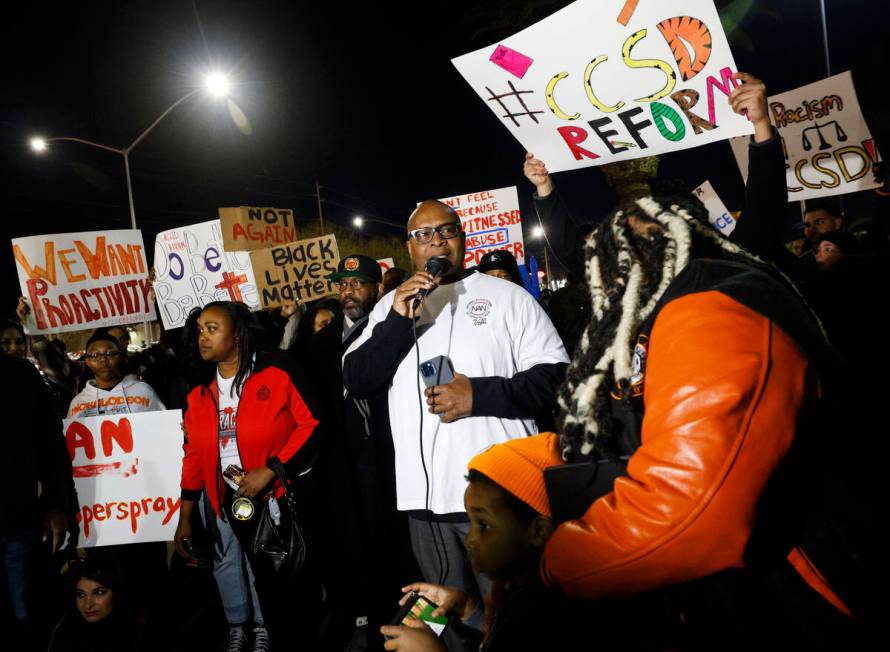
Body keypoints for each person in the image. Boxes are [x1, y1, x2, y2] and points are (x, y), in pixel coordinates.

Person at [540, 193, 869, 648]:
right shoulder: (690, 299)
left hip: (791, 593)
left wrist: (551, 563)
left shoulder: (709, 307)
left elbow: (691, 510)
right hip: (749, 587)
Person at [343, 200, 569, 643]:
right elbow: (359, 379)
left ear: (462, 238)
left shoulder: (507, 296)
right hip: (425, 506)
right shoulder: (392, 305)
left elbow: (557, 379)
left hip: (501, 499)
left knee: (513, 623)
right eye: (424, 235)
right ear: (410, 246)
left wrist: (479, 395)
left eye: (446, 231)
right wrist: (394, 322)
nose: (436, 242)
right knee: (447, 626)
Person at [174, 301, 320, 650]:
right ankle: (259, 631)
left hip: (277, 501)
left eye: (212, 329)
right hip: (227, 503)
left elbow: (311, 424)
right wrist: (186, 517)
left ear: (237, 334)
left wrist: (271, 470)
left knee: (288, 588)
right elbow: (193, 454)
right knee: (256, 581)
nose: (202, 337)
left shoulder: (277, 371)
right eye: (199, 331)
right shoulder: (198, 391)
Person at [380, 433, 585, 652]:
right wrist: (468, 610)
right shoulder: (514, 595)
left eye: (484, 525)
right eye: (472, 522)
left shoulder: (546, 614)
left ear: (539, 531)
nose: (470, 539)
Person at [1, 352, 77, 649]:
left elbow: (51, 445)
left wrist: (56, 505)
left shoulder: (20, 374)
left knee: (24, 615)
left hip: (17, 522)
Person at [47, 560, 144, 652]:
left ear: (117, 593)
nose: (88, 605)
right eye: (81, 594)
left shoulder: (139, 634)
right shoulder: (65, 634)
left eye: (99, 592)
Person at [67, 332, 164, 418]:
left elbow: (164, 426)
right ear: (87, 361)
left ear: (121, 356)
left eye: (111, 353)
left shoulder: (144, 391)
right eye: (95, 355)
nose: (104, 360)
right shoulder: (78, 402)